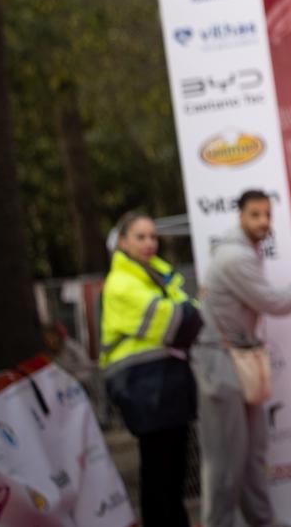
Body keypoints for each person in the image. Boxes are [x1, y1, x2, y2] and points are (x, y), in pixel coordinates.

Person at [193, 190, 291, 527]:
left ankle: (262, 521)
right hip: (220, 361)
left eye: (267, 214)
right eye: (255, 214)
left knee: (252, 452)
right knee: (226, 459)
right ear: (240, 216)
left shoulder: (243, 252)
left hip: (239, 357)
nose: (264, 221)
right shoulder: (235, 257)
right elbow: (276, 303)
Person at [98, 211, 201, 527]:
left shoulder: (157, 276)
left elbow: (192, 316)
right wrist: (190, 312)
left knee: (173, 475)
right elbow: (179, 320)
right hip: (145, 389)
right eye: (140, 236)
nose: (149, 243)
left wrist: (190, 312)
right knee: (159, 475)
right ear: (123, 242)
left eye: (153, 236)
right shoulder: (121, 283)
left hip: (166, 387)